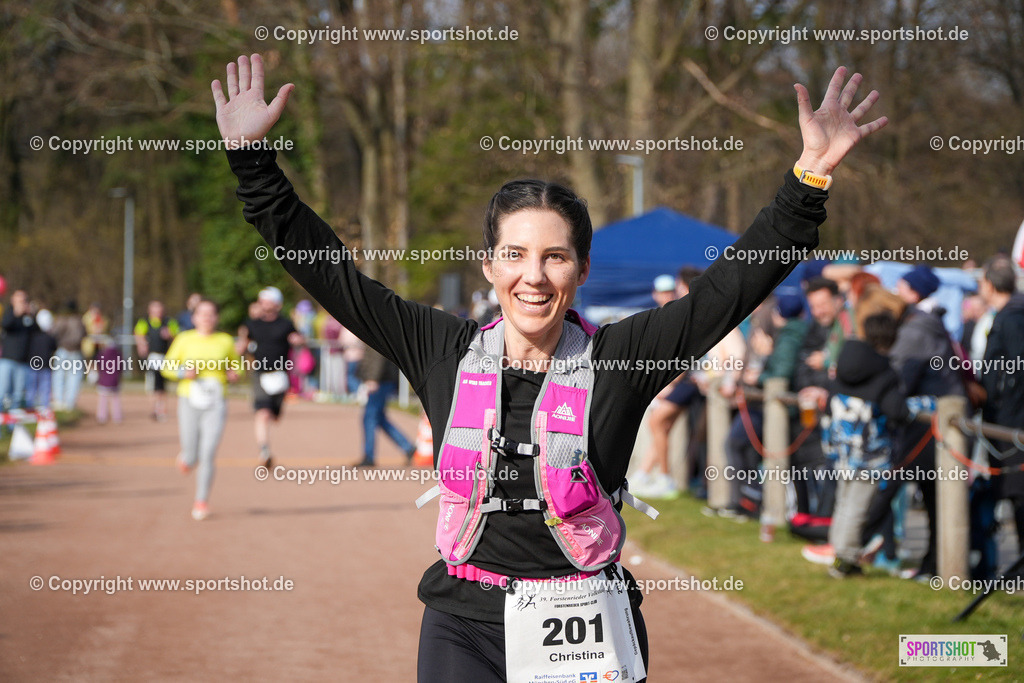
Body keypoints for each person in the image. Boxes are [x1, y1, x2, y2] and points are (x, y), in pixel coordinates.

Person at [212, 53, 886, 681]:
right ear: (489, 264)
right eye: (514, 255)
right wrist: (252, 162)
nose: (532, 277)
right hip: (464, 623)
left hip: (586, 621)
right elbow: (330, 275)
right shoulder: (438, 347)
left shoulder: (621, 359)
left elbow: (729, 289)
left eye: (554, 257)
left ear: (582, 270)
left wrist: (810, 176)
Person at [810, 312, 915, 577]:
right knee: (856, 508)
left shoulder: (845, 362)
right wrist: (926, 405)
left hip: (842, 450)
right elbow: (898, 411)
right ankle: (843, 562)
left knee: (844, 502)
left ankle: (838, 552)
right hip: (870, 455)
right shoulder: (884, 372)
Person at [889, 264, 965, 580]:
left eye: (902, 285)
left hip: (931, 425)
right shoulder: (930, 323)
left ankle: (939, 568)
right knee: (933, 494)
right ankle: (933, 565)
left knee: (929, 493)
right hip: (937, 422)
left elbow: (900, 376)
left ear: (913, 292)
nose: (896, 290)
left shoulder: (917, 328)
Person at [162, 299, 242, 521]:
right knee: (192, 452)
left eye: (211, 313)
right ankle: (186, 458)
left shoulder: (225, 341)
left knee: (208, 453)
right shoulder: (184, 339)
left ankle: (201, 500)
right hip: (189, 399)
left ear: (216, 317)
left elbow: (237, 365)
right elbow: (167, 367)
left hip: (216, 402)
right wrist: (183, 373)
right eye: (202, 313)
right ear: (194, 317)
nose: (206, 317)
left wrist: (234, 374)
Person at [977, 258, 1024, 558]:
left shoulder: (1012, 318)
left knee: (1018, 493)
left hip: (1013, 421)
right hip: (1008, 417)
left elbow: (1018, 368)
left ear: (991, 286)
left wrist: (998, 398)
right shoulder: (1008, 315)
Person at [236, 286, 304, 468]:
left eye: (267, 300)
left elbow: (299, 339)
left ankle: (265, 442)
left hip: (280, 375)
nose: (264, 304)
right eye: (262, 300)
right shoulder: (252, 324)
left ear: (277, 304)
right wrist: (240, 349)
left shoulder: (286, 324)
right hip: (260, 373)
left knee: (274, 415)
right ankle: (264, 450)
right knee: (263, 413)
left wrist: (298, 340)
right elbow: (244, 342)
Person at [355, 345, 416, 467]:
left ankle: (369, 456)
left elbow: (378, 355)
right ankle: (408, 448)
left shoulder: (373, 329)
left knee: (369, 417)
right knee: (379, 418)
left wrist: (373, 378)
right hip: (383, 379)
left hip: (380, 380)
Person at [135, 300, 179, 422]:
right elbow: (138, 334)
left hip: (165, 357)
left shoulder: (169, 322)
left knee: (162, 385)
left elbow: (177, 336)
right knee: (152, 385)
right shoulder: (144, 321)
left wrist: (170, 334)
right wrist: (141, 344)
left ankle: (162, 410)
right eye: (155, 310)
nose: (157, 313)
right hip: (152, 357)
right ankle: (154, 409)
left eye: (159, 310)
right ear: (150, 311)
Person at [0, 289, 37, 412]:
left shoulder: (28, 317)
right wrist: (16, 313)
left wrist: (31, 315)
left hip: (23, 362)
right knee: (2, 393)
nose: (22, 303)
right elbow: (5, 324)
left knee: (17, 396)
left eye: (24, 300)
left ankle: (13, 428)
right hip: (7, 360)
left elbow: (36, 332)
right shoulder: (9, 313)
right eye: (19, 300)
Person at [51, 301, 87, 411]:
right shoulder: (79, 321)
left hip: (62, 349)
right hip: (75, 351)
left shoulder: (61, 319)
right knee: (74, 377)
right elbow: (84, 334)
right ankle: (69, 403)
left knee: (59, 376)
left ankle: (59, 401)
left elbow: (54, 333)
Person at [25, 307, 57, 409]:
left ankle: (31, 408)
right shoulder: (50, 337)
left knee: (32, 389)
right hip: (45, 367)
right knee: (44, 390)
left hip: (34, 366)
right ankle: (43, 410)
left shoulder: (33, 335)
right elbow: (54, 347)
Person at [94, 339, 123, 424]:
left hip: (103, 381)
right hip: (115, 381)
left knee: (103, 400)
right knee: (115, 399)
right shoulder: (118, 355)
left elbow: (99, 366)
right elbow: (120, 368)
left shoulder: (102, 354)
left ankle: (101, 416)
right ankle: (117, 417)